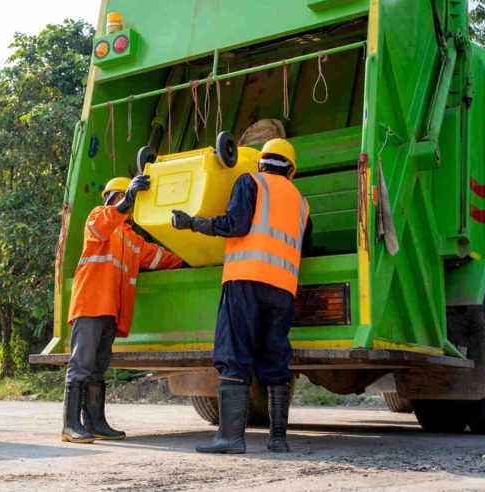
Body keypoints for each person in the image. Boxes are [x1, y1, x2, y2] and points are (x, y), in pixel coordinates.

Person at [171, 138, 312, 454]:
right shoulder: (302, 202)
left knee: (234, 353)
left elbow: (234, 225)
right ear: (291, 169)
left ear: (261, 162)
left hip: (245, 280)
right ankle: (278, 439)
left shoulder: (250, 182)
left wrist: (192, 223)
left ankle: (232, 438)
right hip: (282, 288)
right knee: (275, 357)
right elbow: (307, 246)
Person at [63, 174, 184, 444]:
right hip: (91, 304)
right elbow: (100, 227)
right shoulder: (99, 216)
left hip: (110, 310)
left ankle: (95, 422)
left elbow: (157, 257)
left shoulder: (131, 239)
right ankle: (70, 425)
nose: (128, 203)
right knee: (81, 365)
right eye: (125, 197)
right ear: (114, 197)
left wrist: (189, 258)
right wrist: (125, 201)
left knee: (97, 367)